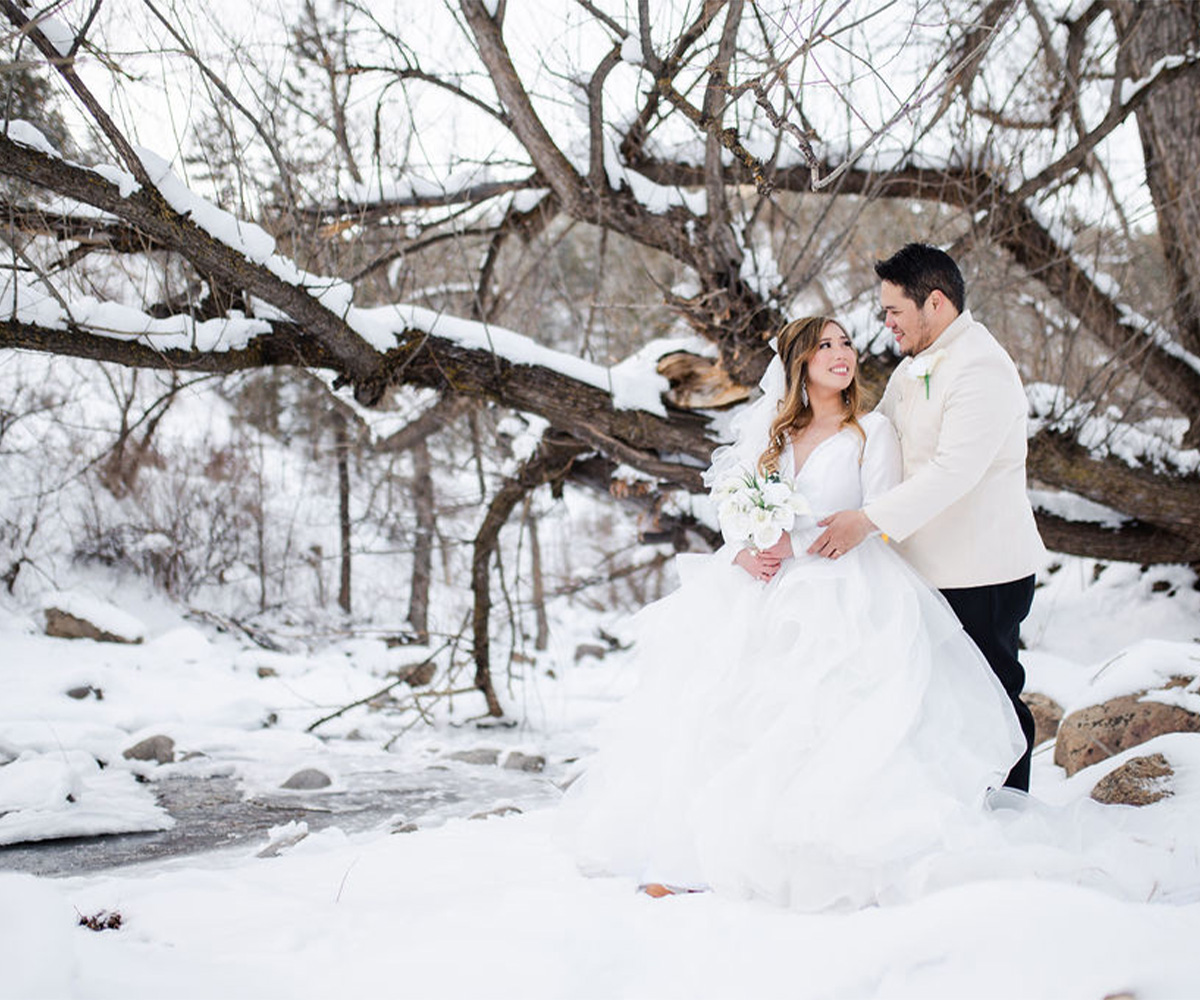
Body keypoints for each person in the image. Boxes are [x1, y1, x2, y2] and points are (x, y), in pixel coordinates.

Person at [563, 315, 1025, 912]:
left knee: (819, 721)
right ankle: (701, 856)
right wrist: (750, 548)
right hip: (769, 590)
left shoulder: (871, 432)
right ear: (799, 363)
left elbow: (879, 521)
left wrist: (800, 543)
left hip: (845, 591)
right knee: (729, 714)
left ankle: (814, 858)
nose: (841, 353)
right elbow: (739, 507)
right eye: (825, 346)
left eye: (847, 343)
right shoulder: (776, 435)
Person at [809, 244, 1045, 791]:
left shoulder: (981, 369)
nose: (886, 321)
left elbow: (953, 473)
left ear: (934, 303)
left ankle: (1007, 816)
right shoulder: (914, 368)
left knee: (993, 701)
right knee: (942, 706)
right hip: (929, 572)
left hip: (982, 572)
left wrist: (866, 521)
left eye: (894, 310)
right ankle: (958, 814)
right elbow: (872, 433)